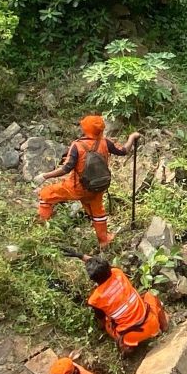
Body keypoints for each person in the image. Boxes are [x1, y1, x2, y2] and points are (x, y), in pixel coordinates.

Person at [37, 115, 140, 248]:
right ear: (101, 129)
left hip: (76, 188)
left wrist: (45, 176)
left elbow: (66, 169)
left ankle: (42, 226)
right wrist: (132, 137)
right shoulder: (105, 142)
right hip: (96, 187)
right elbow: (123, 151)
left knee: (46, 194)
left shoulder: (77, 145)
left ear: (85, 129)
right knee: (98, 212)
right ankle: (104, 240)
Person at [83, 255, 167, 353]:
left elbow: (101, 321)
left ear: (93, 279)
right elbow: (105, 266)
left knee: (107, 324)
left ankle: (126, 348)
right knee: (150, 295)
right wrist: (82, 256)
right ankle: (164, 327)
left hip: (129, 337)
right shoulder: (118, 273)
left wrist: (102, 326)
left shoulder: (94, 299)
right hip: (151, 324)